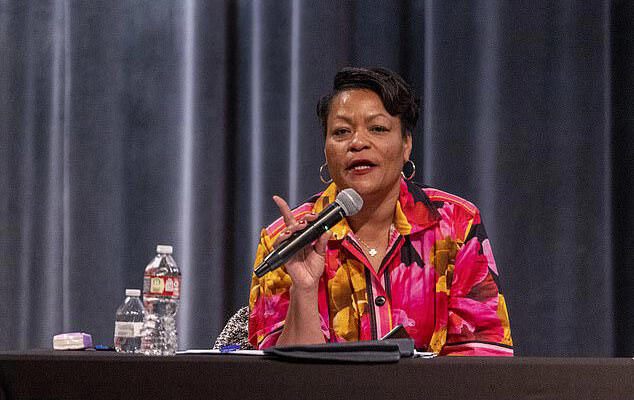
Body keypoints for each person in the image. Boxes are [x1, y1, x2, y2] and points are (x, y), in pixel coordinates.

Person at [248, 67, 513, 356]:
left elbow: (484, 359)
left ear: (406, 144)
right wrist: (304, 289)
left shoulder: (455, 224)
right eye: (341, 132)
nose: (358, 142)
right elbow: (281, 384)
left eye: (377, 128)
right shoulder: (288, 239)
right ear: (325, 150)